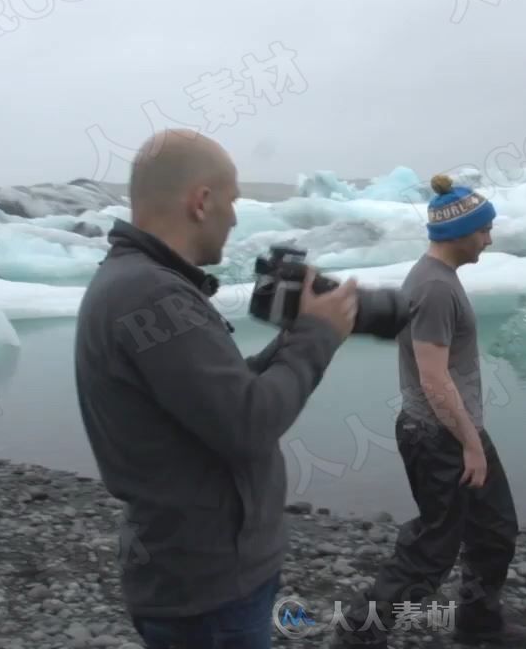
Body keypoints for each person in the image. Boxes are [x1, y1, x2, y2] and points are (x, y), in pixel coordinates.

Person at [73, 128, 360, 649]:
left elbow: (216, 400)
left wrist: (298, 334)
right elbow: (249, 423)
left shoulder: (136, 281)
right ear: (202, 202)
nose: (234, 216)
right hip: (208, 588)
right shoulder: (153, 294)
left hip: (189, 571)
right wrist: (318, 337)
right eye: (232, 201)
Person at [334, 174, 526, 647]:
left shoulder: (439, 280)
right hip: (439, 434)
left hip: (453, 430)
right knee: (434, 545)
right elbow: (433, 377)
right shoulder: (434, 288)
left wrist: (473, 439)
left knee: (494, 531)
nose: (490, 238)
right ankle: (359, 631)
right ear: (460, 232)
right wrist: (470, 444)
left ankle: (478, 622)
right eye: (484, 229)